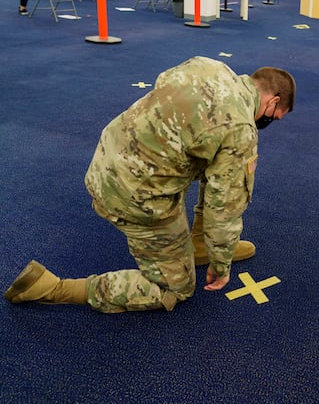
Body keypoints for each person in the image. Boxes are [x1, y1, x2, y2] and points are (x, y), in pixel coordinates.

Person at [4, 56, 296, 313]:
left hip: (107, 158)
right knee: (175, 290)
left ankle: (195, 244)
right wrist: (221, 266)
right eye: (275, 117)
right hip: (136, 196)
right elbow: (226, 208)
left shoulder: (209, 66)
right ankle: (53, 288)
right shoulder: (241, 129)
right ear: (272, 101)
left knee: (209, 161)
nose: (269, 122)